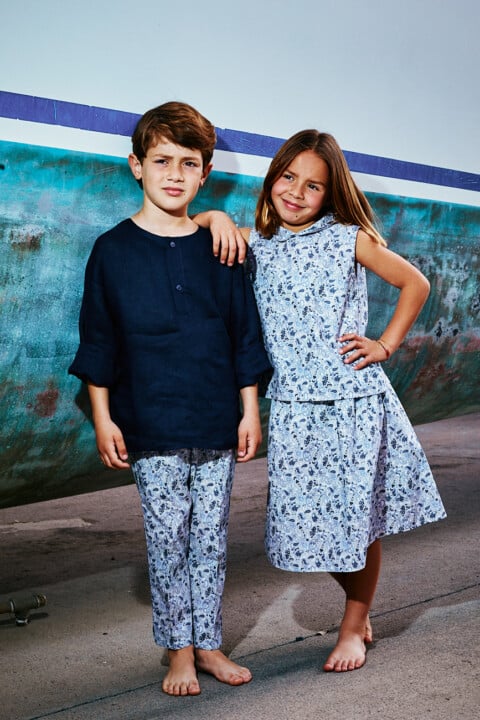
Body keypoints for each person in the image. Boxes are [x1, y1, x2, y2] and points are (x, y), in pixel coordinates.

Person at [197, 129, 446, 672]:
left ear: (330, 194)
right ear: (272, 178)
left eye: (313, 186)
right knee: (306, 526)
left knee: (355, 524)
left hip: (351, 402)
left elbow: (416, 285)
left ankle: (354, 626)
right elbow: (188, 228)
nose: (296, 192)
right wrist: (214, 216)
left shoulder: (347, 238)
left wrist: (384, 345)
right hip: (293, 407)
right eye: (288, 177)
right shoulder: (255, 244)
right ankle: (359, 604)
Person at [68, 101, 271, 696]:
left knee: (210, 539)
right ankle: (178, 651)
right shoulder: (112, 250)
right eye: (162, 161)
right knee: (167, 539)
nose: (175, 174)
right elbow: (98, 339)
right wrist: (103, 419)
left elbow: (244, 333)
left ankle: (208, 645)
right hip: (150, 422)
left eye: (188, 163)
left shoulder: (222, 248)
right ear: (137, 166)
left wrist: (250, 410)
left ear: (205, 173)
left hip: (216, 418)